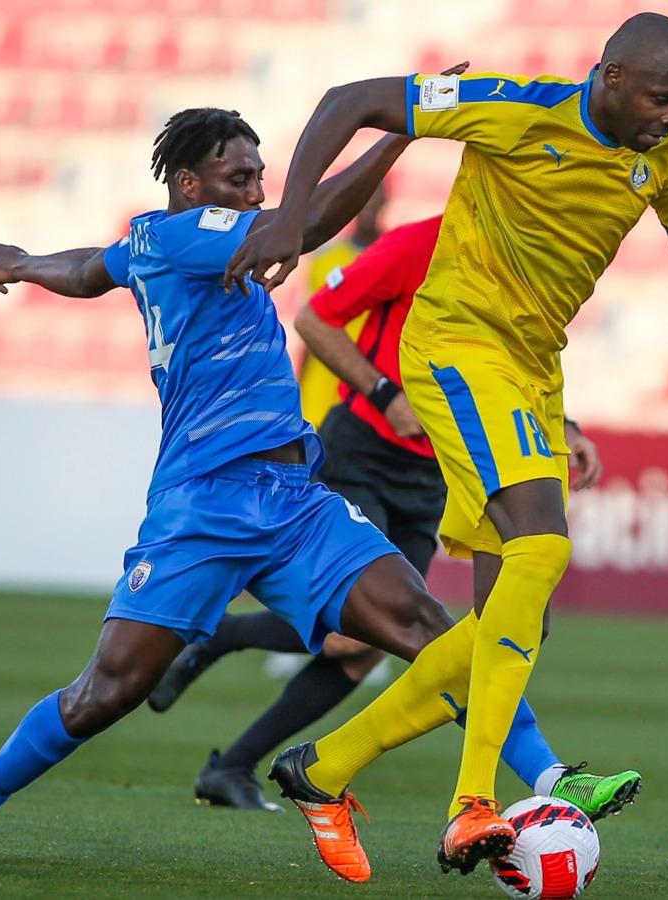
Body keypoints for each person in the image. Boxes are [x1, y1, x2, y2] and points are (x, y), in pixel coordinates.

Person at [0, 101, 635, 884]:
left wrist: (22, 263)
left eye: (258, 179)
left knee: (424, 622)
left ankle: (551, 778)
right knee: (105, 692)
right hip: (202, 504)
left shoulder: (150, 241)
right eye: (238, 178)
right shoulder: (185, 234)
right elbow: (303, 228)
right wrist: (403, 128)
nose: (252, 192)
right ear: (187, 181)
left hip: (294, 499)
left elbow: (88, 270)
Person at [223, 11, 668, 877]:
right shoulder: (514, 108)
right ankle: (471, 803)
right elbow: (350, 100)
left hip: (532, 367)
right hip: (454, 345)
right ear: (612, 78)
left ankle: (321, 769)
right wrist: (291, 218)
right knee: (542, 546)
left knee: (516, 615)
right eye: (663, 98)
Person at [146, 215, 612, 817]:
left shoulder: (520, 254)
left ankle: (232, 756)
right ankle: (223, 652)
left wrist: (564, 425)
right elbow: (315, 318)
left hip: (436, 471)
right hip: (363, 451)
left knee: (364, 648)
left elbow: (522, 361)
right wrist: (385, 394)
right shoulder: (420, 244)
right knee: (356, 634)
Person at [296, 181, 386, 428]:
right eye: (363, 197)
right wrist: (300, 386)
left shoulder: (394, 258)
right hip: (322, 385)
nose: (368, 204)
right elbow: (308, 326)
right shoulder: (326, 259)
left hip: (372, 389)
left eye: (374, 196)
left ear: (385, 201)